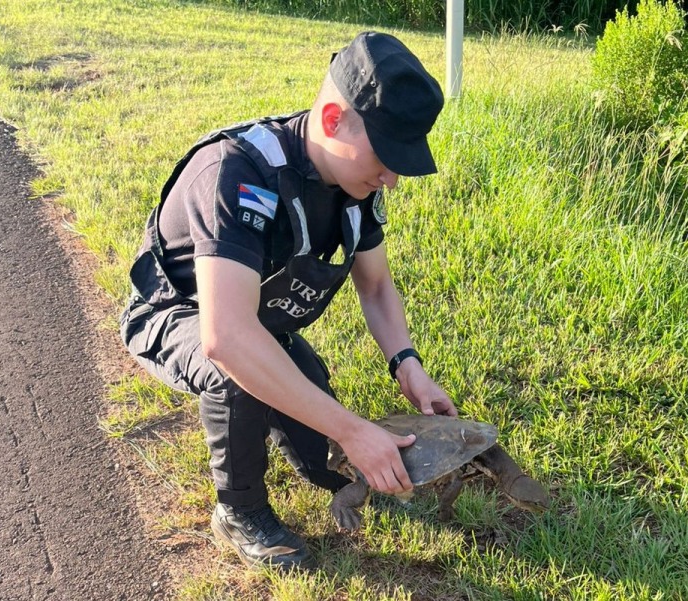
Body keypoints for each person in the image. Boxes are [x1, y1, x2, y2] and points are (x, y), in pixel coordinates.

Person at [119, 31, 457, 571]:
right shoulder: (237, 173)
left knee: (320, 458)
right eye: (387, 156)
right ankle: (239, 511)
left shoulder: (356, 185)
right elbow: (226, 336)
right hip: (178, 315)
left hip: (260, 324)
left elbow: (375, 285)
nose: (392, 178)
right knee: (235, 368)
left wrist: (408, 366)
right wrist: (351, 427)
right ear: (332, 121)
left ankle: (275, 411)